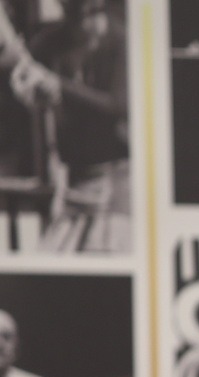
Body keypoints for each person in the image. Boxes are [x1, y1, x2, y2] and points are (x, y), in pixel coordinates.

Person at [11, 0, 128, 251]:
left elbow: (118, 106)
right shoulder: (54, 40)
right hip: (71, 179)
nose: (78, 29)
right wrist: (25, 86)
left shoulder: (122, 42)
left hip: (116, 178)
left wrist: (59, 86)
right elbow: (24, 71)